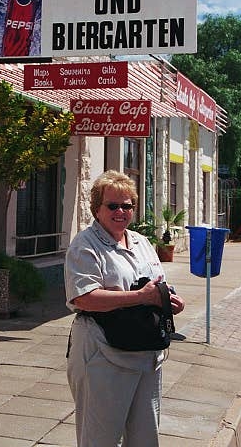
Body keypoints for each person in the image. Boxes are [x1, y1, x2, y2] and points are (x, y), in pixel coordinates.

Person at [65, 170, 185, 447]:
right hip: (102, 354)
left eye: (127, 205)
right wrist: (140, 297)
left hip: (146, 354)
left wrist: (170, 301)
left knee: (146, 438)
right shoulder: (85, 245)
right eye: (113, 205)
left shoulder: (141, 242)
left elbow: (158, 284)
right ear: (97, 209)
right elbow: (84, 298)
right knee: (101, 439)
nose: (121, 211)